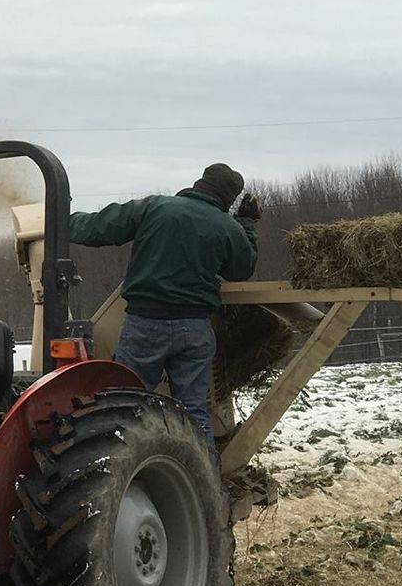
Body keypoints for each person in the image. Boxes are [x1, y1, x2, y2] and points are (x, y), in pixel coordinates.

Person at [70, 163, 261, 441]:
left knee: (128, 405)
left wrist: (59, 221)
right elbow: (242, 269)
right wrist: (246, 225)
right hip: (194, 329)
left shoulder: (154, 207)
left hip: (144, 325)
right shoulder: (227, 227)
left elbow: (99, 228)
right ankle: (203, 480)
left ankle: (126, 471)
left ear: (200, 183)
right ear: (229, 199)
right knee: (194, 412)